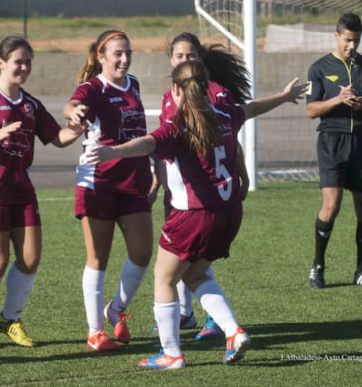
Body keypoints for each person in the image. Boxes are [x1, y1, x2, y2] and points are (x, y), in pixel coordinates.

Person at [86, 60, 307, 369]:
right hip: (229, 214)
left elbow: (148, 143)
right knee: (194, 274)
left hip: (194, 216)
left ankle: (171, 354)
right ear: (207, 87)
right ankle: (233, 331)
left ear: (176, 89)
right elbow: (252, 108)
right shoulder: (226, 112)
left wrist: (114, 151)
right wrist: (283, 97)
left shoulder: (178, 125)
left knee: (164, 279)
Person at [152, 32, 308, 341]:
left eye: (191, 55)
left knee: (168, 274)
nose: (186, 60)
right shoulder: (172, 97)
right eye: (180, 56)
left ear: (201, 59)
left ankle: (177, 345)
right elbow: (242, 115)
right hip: (196, 196)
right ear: (171, 61)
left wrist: (114, 151)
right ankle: (211, 323)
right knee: (190, 269)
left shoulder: (215, 97)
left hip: (200, 201)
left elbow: (222, 138)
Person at [0, 36, 82, 351]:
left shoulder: (30, 104)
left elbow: (57, 137)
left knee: (30, 257)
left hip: (20, 188)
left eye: (28, 62)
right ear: (1, 63)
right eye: (18, 61)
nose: (24, 67)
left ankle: (9, 319)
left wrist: (78, 128)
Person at [63, 30, 154, 351]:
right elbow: (72, 104)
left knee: (142, 253)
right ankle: (95, 331)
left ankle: (116, 309)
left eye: (127, 52)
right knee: (97, 259)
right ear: (101, 57)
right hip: (97, 182)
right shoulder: (93, 87)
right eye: (117, 53)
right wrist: (73, 112)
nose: (124, 59)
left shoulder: (135, 84)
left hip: (134, 182)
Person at [306, 13, 362, 289]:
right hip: (332, 141)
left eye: (356, 40)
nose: (352, 46)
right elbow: (311, 110)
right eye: (347, 40)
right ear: (337, 36)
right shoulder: (319, 68)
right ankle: (317, 267)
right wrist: (337, 99)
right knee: (331, 206)